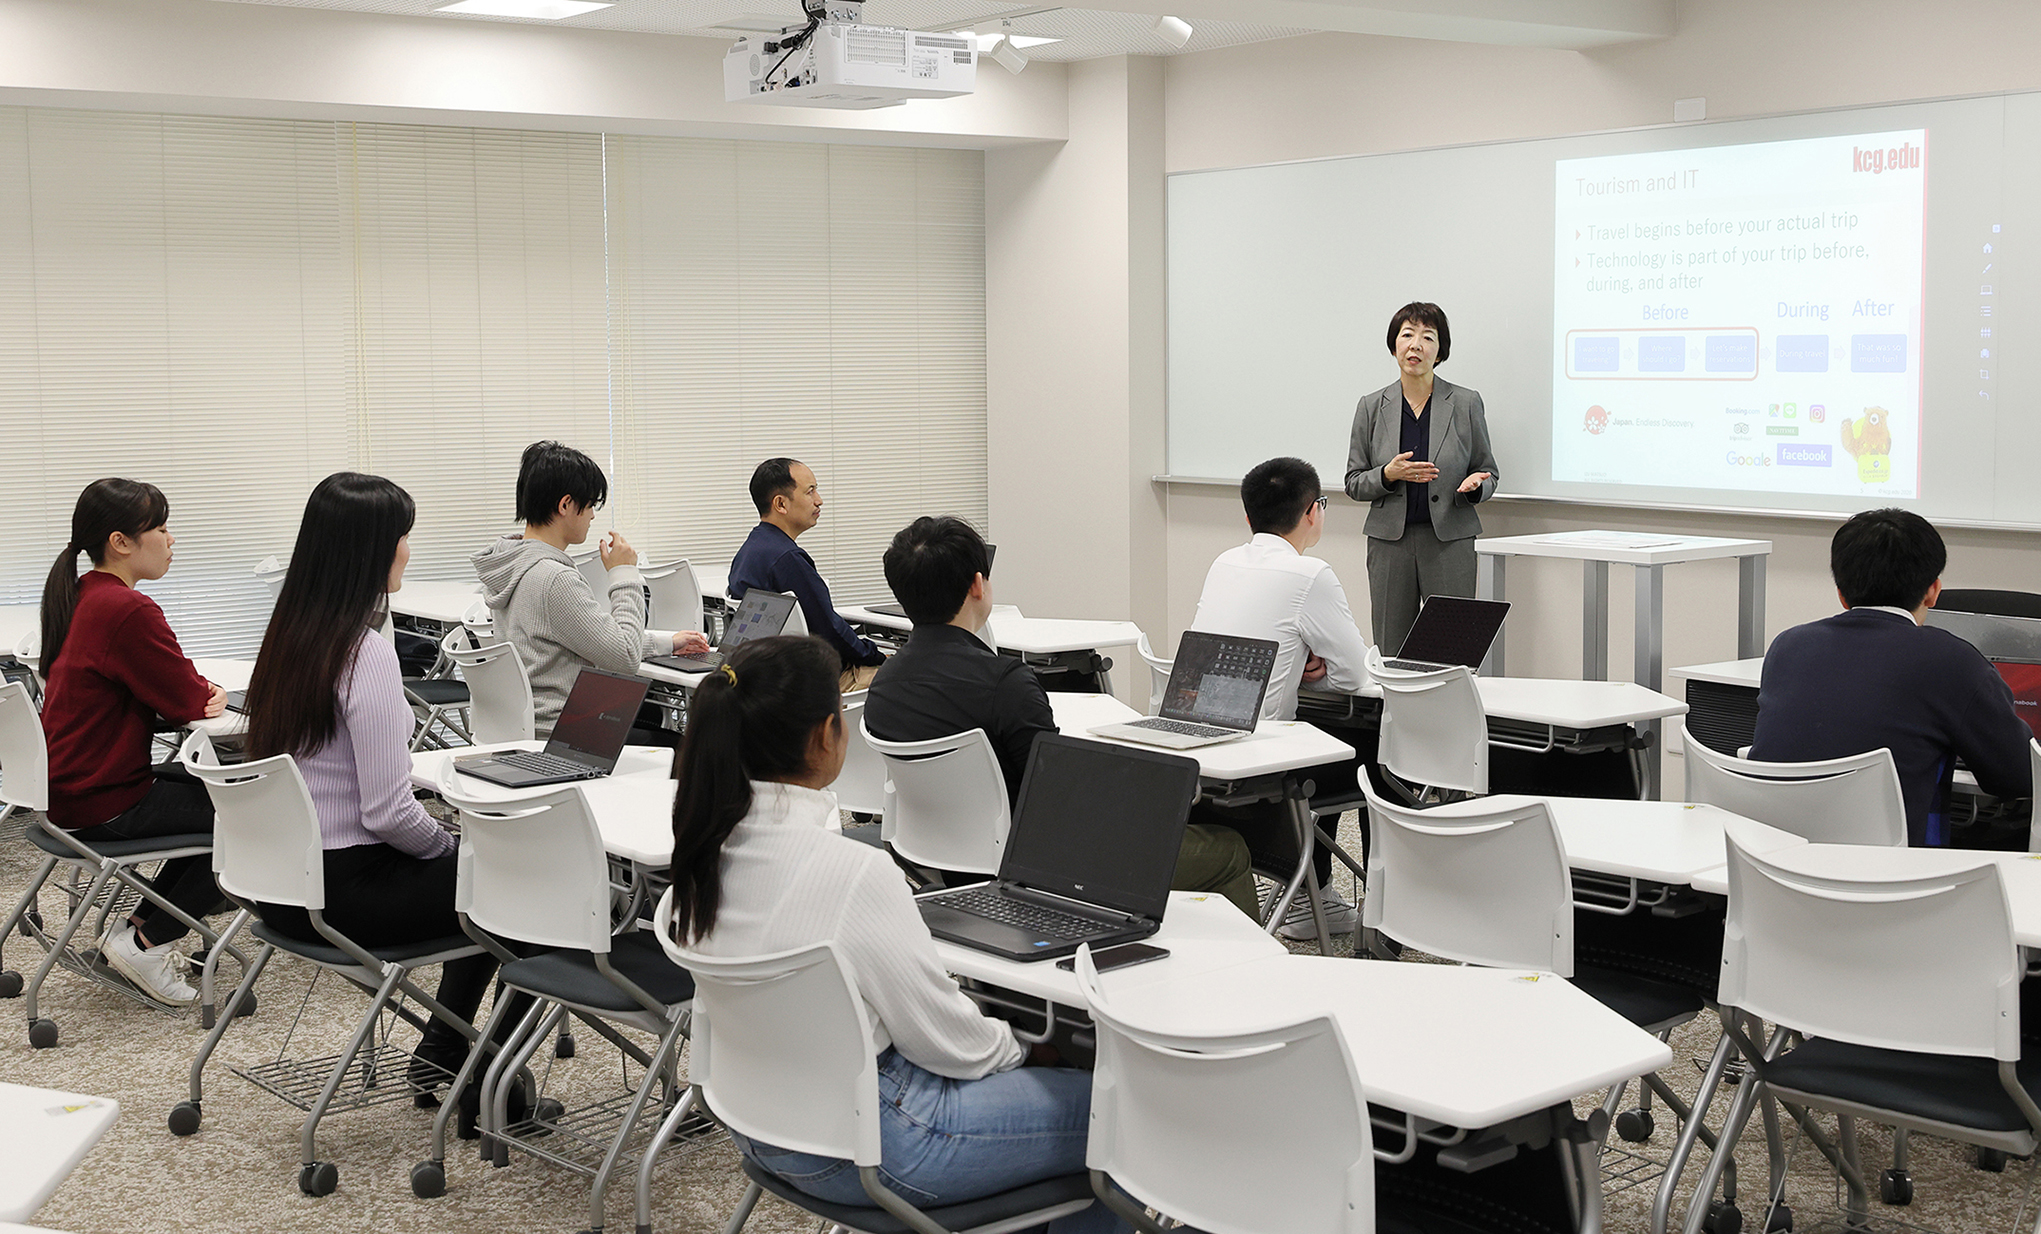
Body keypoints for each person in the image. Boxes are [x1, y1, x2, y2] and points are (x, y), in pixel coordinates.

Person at [667, 634, 1127, 1233]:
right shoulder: (851, 874)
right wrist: (1032, 1050)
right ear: (824, 737)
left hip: (762, 1132)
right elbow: (949, 1046)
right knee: (1127, 1115)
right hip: (881, 1145)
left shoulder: (702, 858)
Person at [244, 472, 527, 1119]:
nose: (408, 551)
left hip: (287, 888)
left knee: (477, 882)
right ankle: (489, 1083)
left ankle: (444, 1051)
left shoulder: (288, 636)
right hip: (349, 891)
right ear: (370, 550)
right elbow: (388, 812)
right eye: (403, 537)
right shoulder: (363, 651)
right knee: (531, 888)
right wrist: (446, 844)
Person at [866, 516, 1259, 918]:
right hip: (1040, 863)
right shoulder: (1004, 683)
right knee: (1227, 850)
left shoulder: (885, 683)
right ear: (977, 585)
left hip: (933, 859)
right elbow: (1058, 797)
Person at [38, 478, 228, 1006]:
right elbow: (189, 699)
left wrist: (191, 691)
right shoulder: (127, 610)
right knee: (257, 815)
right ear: (121, 541)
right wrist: (206, 691)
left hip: (66, 789)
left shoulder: (82, 596)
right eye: (162, 529)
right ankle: (147, 941)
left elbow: (171, 691)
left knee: (224, 795)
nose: (172, 540)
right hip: (104, 798)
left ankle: (136, 934)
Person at [1748, 507, 2031, 847]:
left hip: (1778, 869)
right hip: (1894, 883)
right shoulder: (1952, 659)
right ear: (1933, 591)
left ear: (1840, 591)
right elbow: (2020, 778)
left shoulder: (1788, 646)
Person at [1189, 458, 1374, 939]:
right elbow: (1354, 676)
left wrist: (1303, 662)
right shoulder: (1311, 573)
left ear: (1248, 519)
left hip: (1204, 757)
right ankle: (1370, 906)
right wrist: (1317, 670)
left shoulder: (1223, 562)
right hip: (1265, 767)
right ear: (1313, 512)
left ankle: (1320, 889)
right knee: (1372, 756)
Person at [473, 440, 709, 737]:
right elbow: (624, 658)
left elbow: (594, 639)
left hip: (530, 727)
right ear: (566, 505)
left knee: (648, 716)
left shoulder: (511, 564)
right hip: (566, 733)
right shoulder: (553, 579)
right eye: (590, 506)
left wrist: (667, 642)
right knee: (682, 744)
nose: (593, 516)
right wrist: (624, 575)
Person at [1344, 302, 1500, 653]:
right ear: (1394, 345)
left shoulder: (1465, 402)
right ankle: (1394, 710)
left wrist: (1477, 487)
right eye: (1407, 335)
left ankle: (1448, 710)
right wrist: (1387, 474)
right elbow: (1353, 481)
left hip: (1449, 542)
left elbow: (1489, 470)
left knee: (1451, 646)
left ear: (1440, 351)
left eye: (1427, 337)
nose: (1415, 345)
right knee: (1391, 647)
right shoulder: (1371, 406)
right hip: (1389, 545)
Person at [728, 457, 886, 690]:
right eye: (810, 492)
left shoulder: (751, 549)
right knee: (908, 677)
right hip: (808, 682)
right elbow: (829, 632)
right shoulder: (787, 559)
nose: (819, 501)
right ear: (781, 504)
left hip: (766, 678)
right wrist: (876, 655)